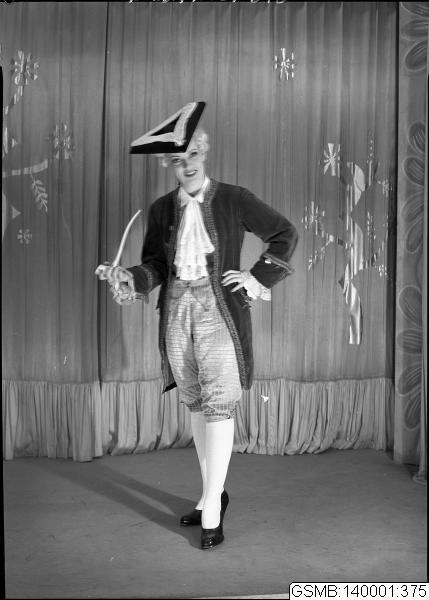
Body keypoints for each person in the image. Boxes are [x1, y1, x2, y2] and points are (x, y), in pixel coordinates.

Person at [96, 101, 298, 549]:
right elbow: (155, 265)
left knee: (219, 404)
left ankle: (211, 512)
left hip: (219, 312)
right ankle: (212, 495)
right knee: (195, 403)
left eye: (192, 155)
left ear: (203, 153)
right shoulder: (161, 210)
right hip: (176, 313)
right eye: (177, 159)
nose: (186, 165)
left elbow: (284, 234)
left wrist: (255, 277)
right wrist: (131, 278)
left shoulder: (234, 199)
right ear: (168, 164)